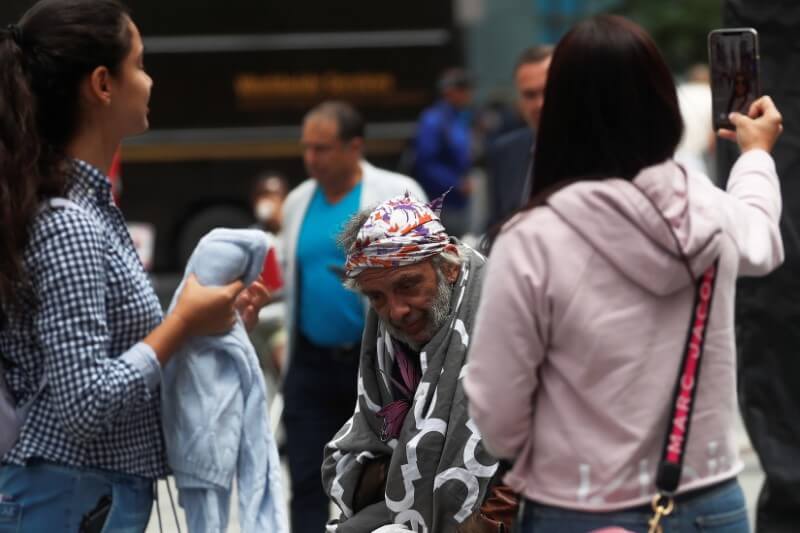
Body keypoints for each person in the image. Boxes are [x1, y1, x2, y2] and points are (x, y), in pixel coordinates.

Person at [464, 14, 784, 533]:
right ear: (662, 102)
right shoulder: (706, 209)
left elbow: (497, 417)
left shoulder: (531, 238)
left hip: (576, 507)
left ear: (559, 111)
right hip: (710, 502)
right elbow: (763, 241)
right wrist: (754, 157)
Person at [0, 1, 267, 530]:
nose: (149, 81)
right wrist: (181, 323)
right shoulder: (69, 222)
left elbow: (112, 363)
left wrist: (205, 324)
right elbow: (85, 406)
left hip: (78, 497)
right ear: (103, 84)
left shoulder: (83, 207)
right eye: (140, 64)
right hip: (64, 499)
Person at [322, 193, 516, 532]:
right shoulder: (387, 341)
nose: (396, 311)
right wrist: (410, 465)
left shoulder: (506, 313)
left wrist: (492, 518)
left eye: (408, 285)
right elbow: (350, 457)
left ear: (450, 269)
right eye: (377, 297)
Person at [280, 100, 426, 533]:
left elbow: (428, 273)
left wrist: (371, 276)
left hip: (375, 364)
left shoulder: (397, 193)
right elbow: (291, 280)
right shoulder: (297, 201)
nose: (311, 159)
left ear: (354, 146)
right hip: (309, 364)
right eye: (307, 148)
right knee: (306, 478)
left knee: (375, 477)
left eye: (322, 148)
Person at [484, 46, 552, 232]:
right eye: (530, 95)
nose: (539, 104)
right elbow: (494, 228)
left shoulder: (595, 151)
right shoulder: (504, 152)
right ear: (518, 100)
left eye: (549, 91)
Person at [413, 68, 474, 237]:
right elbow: (425, 164)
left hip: (458, 203)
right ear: (449, 92)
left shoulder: (460, 117)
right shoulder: (433, 120)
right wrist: (456, 184)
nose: (469, 94)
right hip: (439, 203)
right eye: (463, 89)